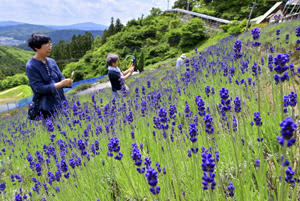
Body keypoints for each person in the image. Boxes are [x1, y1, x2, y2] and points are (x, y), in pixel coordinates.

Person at [26, 33, 73, 119]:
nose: (50, 47)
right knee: (52, 131)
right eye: (47, 45)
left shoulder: (52, 61)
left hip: (61, 103)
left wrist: (67, 82)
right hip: (47, 109)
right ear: (37, 48)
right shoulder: (31, 66)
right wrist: (60, 84)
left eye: (50, 44)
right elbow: (38, 88)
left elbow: (60, 77)